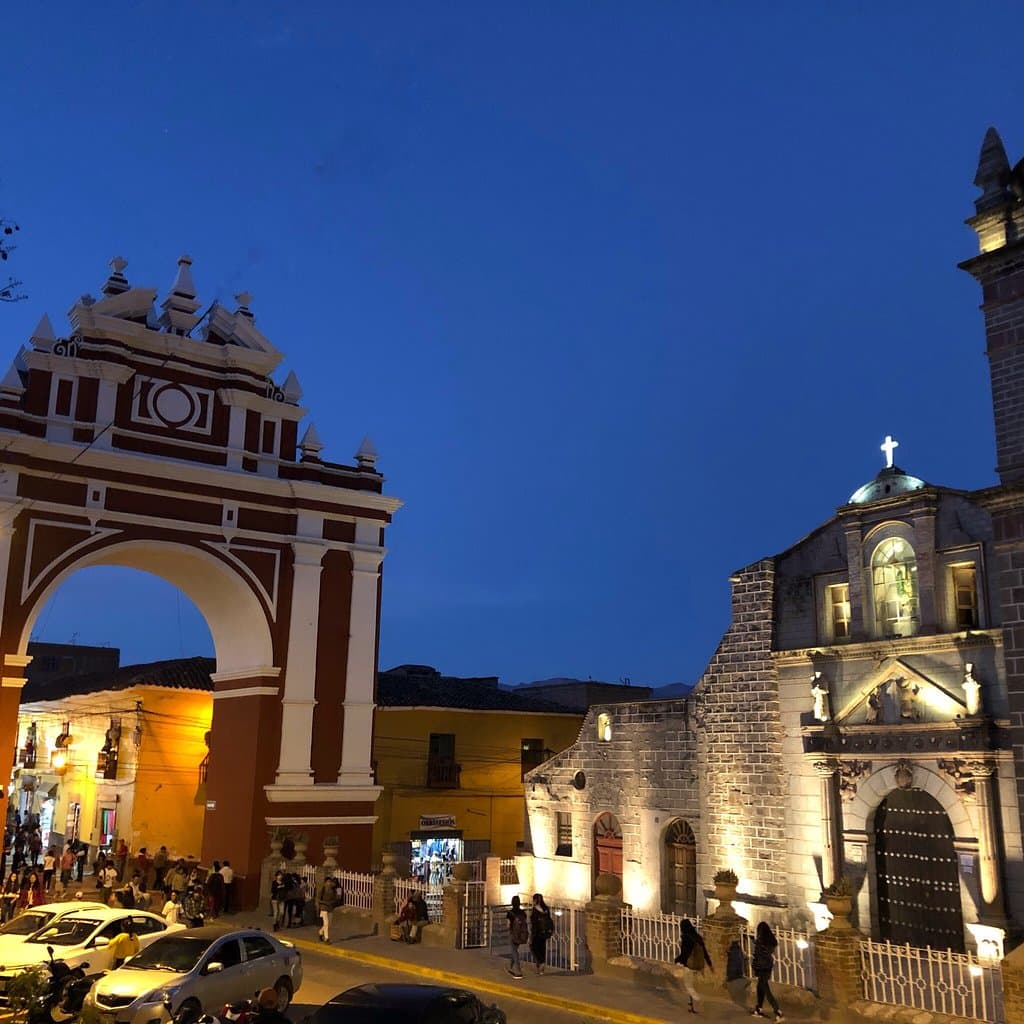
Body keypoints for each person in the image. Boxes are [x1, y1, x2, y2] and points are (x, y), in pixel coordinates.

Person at [674, 918, 713, 1015]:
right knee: (692, 985)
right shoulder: (697, 937)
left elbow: (685, 954)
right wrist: (710, 964)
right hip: (699, 965)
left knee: (688, 986)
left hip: (690, 966)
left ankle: (699, 1001)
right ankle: (692, 1004)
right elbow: (704, 952)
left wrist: (677, 960)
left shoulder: (686, 938)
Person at [751, 921, 784, 1021]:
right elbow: (765, 953)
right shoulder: (770, 942)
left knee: (765, 990)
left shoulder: (761, 943)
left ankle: (778, 1011)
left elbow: (758, 956)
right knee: (760, 988)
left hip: (761, 968)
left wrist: (755, 967)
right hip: (767, 967)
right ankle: (759, 1008)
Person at [529, 893, 553, 975]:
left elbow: (534, 923)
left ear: (535, 900)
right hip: (545, 932)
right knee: (542, 948)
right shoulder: (546, 908)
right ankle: (541, 965)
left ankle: (540, 962)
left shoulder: (535, 909)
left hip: (537, 932)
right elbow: (549, 919)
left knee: (533, 947)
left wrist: (532, 934)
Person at [506, 895, 529, 979]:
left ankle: (518, 971)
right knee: (514, 950)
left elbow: (508, 925)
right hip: (521, 935)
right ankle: (510, 967)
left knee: (514, 951)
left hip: (513, 934)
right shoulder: (523, 913)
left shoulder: (510, 913)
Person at [317, 876, 341, 943]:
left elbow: (335, 899)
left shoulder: (333, 890)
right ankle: (326, 938)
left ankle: (320, 932)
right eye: (328, 882)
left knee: (328, 924)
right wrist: (325, 903)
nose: (329, 883)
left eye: (330, 882)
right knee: (326, 923)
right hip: (323, 908)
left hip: (330, 908)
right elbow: (318, 900)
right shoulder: (322, 890)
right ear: (325, 883)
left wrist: (333, 902)